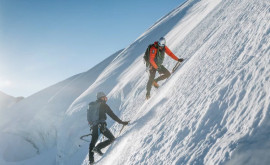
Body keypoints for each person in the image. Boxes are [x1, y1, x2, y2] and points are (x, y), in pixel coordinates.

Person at [87, 92, 129, 165]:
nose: (105, 98)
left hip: (94, 126)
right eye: (104, 97)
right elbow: (112, 115)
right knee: (112, 139)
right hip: (101, 125)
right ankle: (98, 148)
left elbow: (89, 118)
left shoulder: (92, 105)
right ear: (101, 98)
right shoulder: (104, 105)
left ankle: (91, 161)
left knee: (92, 143)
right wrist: (121, 122)